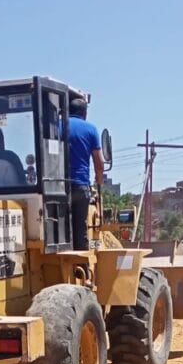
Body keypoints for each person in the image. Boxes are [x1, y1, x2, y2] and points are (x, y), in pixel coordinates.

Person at [68, 97, 105, 250]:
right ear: (84, 112)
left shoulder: (55, 126)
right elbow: (99, 161)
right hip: (80, 185)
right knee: (81, 231)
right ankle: (81, 268)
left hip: (56, 188)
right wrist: (99, 179)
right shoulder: (90, 129)